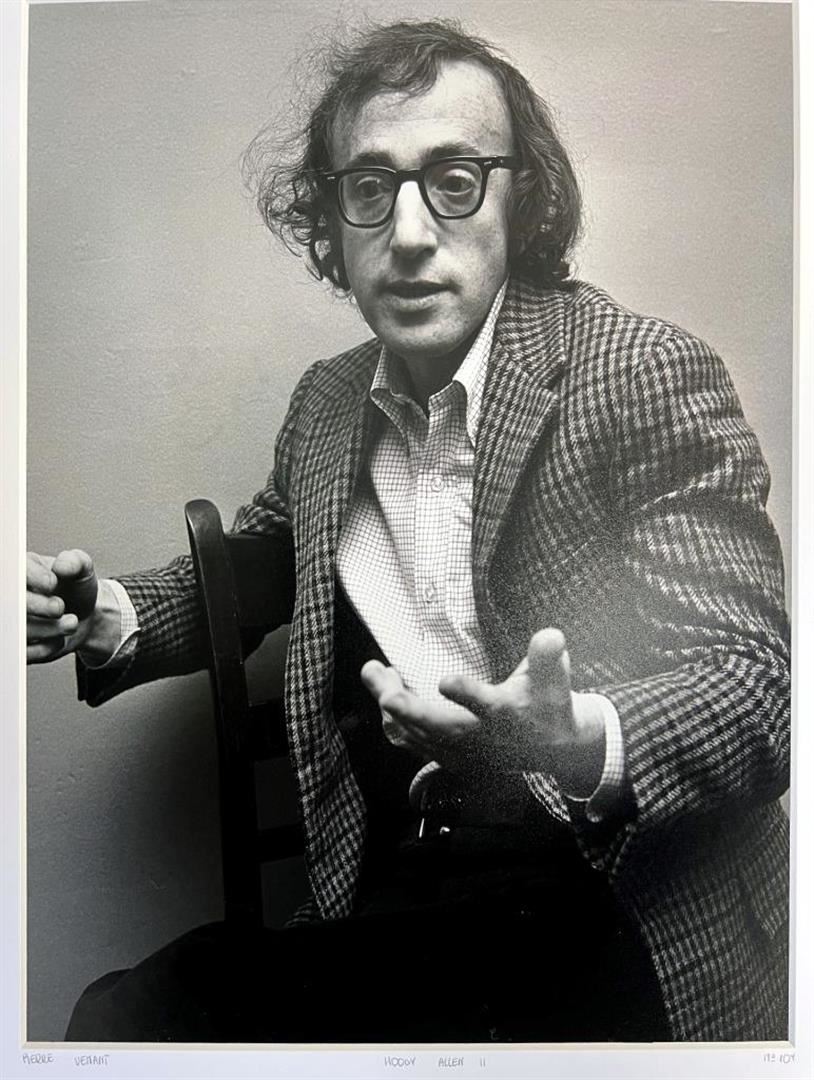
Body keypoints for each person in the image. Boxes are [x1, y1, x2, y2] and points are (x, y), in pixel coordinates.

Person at [27, 19, 790, 1043]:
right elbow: (268, 559)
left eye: (455, 181)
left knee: (143, 1019)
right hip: (408, 891)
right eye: (371, 188)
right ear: (332, 221)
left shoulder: (639, 372)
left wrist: (577, 740)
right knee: (137, 1012)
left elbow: (756, 688)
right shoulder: (328, 405)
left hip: (610, 902)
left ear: (523, 201)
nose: (411, 233)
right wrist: (108, 613)